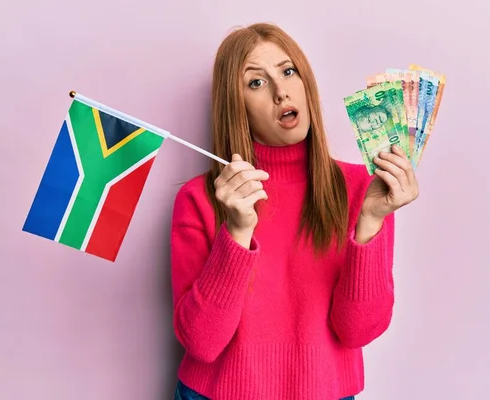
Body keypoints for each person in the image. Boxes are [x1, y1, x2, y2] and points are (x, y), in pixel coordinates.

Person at [170, 22, 419, 400]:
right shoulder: (201, 199)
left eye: (288, 71)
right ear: (236, 106)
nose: (280, 91)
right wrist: (236, 232)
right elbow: (201, 343)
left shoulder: (364, 191)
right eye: (256, 82)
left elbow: (358, 332)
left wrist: (370, 222)